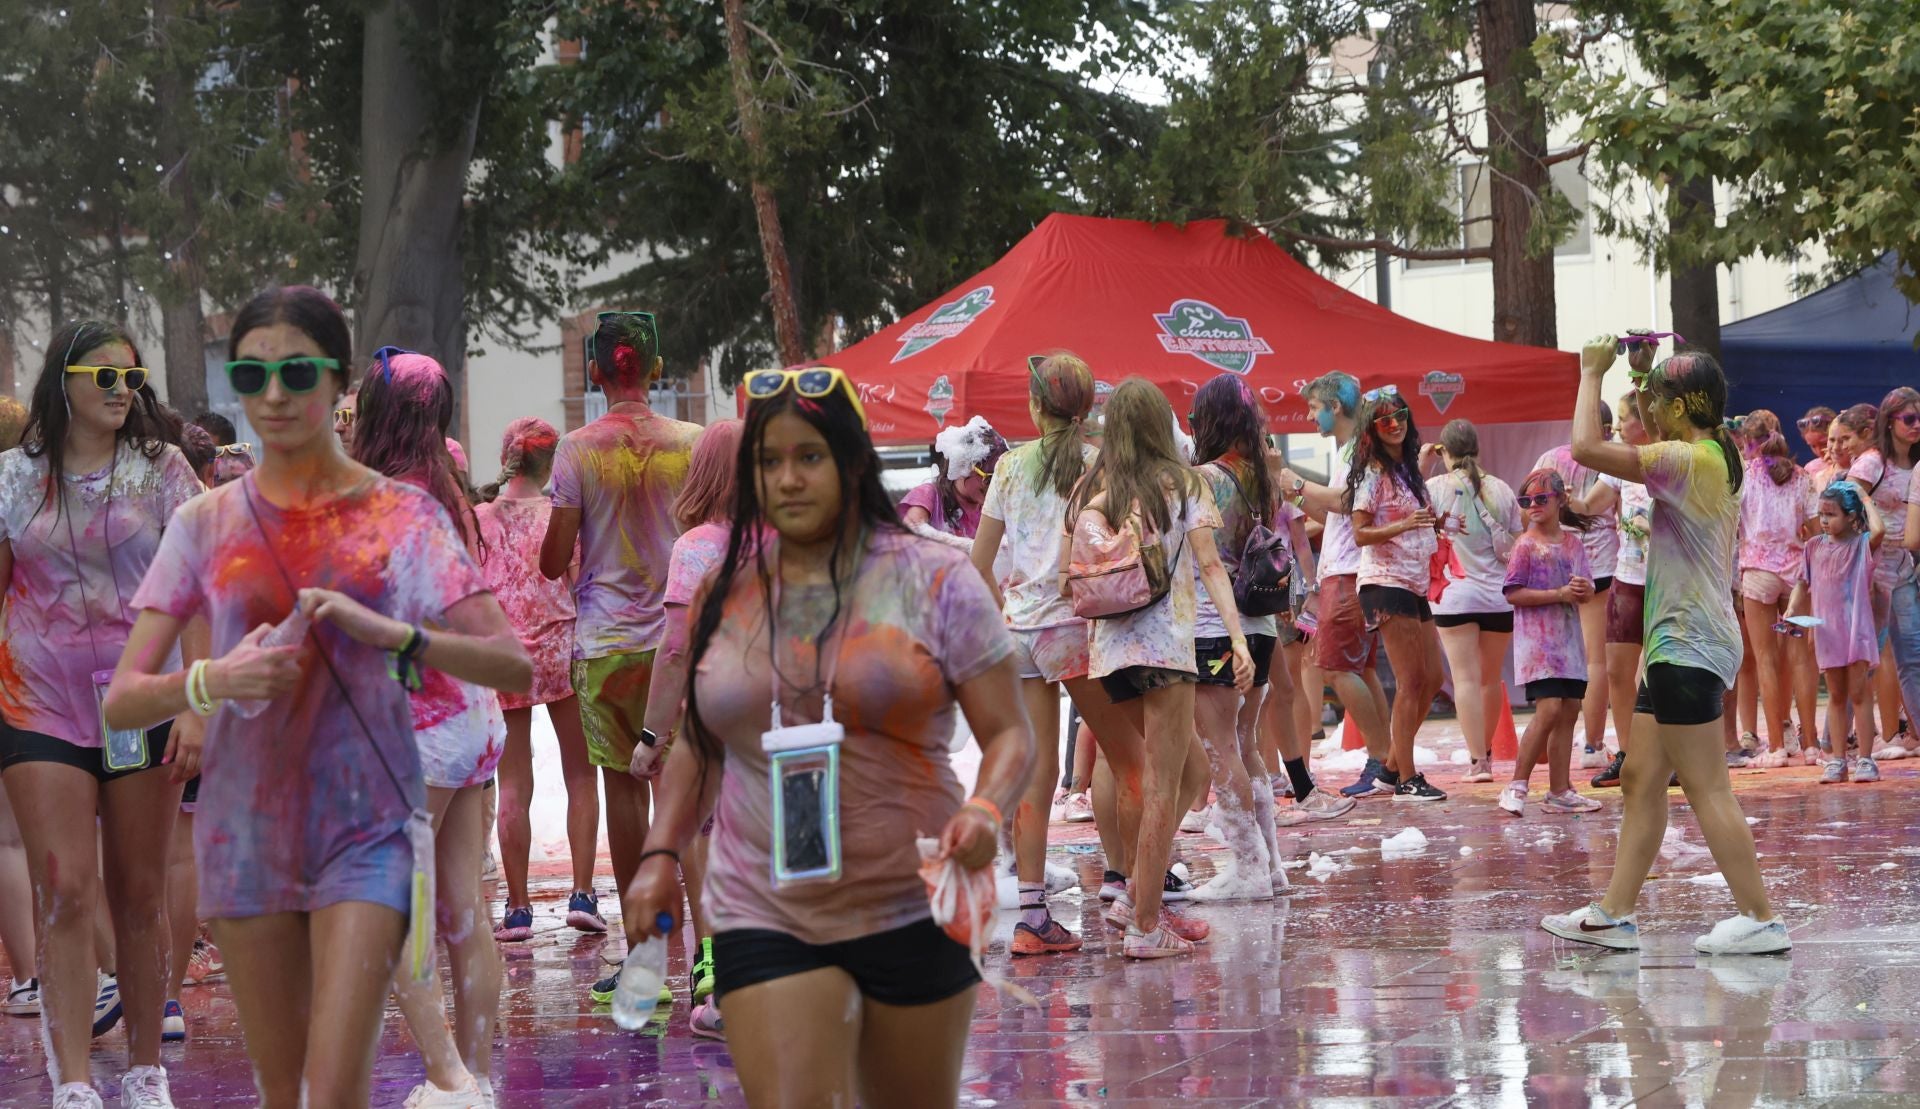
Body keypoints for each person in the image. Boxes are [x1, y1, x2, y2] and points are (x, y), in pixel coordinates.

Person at [105, 286, 531, 1106]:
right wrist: (214, 679)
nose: (271, 394)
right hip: (247, 827)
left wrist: (396, 636)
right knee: (283, 1087)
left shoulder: (399, 514)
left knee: (334, 1084)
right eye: (251, 372)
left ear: (338, 382)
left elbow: (509, 663)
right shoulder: (205, 522)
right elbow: (123, 700)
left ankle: (457, 1077)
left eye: (295, 371)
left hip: (366, 825)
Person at [623, 365, 1033, 1107]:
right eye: (768, 461)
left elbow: (1009, 733)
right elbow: (700, 740)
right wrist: (658, 853)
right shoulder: (726, 588)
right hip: (761, 903)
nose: (786, 479)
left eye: (807, 456)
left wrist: (986, 808)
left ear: (850, 460)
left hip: (910, 899)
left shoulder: (934, 578)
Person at [0, 319, 201, 1109]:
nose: (124, 391)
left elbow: (204, 588)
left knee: (138, 891)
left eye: (133, 377)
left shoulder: (164, 472)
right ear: (66, 381)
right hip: (38, 700)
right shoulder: (12, 478)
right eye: (106, 376)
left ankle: (148, 1071)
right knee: (65, 888)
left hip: (140, 698)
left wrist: (196, 702)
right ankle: (74, 1078)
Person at [1541, 341, 1788, 956]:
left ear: (1682, 409)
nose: (1649, 409)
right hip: (1679, 644)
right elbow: (1651, 425)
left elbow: (1586, 450)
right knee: (1641, 779)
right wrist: (1645, 373)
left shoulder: (1687, 459)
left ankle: (1760, 918)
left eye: (1658, 400)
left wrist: (1590, 372)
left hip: (1689, 645)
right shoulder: (1715, 450)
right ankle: (1615, 915)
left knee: (1707, 787)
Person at [348, 347, 510, 1105]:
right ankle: (473, 1072)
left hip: (420, 726)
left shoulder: (386, 502)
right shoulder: (449, 488)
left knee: (397, 914)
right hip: (473, 719)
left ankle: (449, 1075)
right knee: (461, 908)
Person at [970, 352, 1157, 954]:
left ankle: (1032, 918)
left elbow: (979, 563)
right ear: (1085, 407)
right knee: (1134, 762)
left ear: (1034, 404)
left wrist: (1006, 606)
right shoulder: (1096, 463)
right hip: (1076, 629)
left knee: (1037, 771)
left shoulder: (1007, 466)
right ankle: (1137, 896)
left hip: (1017, 632)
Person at [539, 311, 700, 1005]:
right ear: (656, 370)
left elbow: (553, 558)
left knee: (625, 793)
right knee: (685, 793)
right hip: (681, 639)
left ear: (597, 371)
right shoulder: (692, 443)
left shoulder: (575, 450)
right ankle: (707, 955)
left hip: (606, 646)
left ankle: (643, 958)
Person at [1067, 378, 1250, 956]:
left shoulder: (1091, 492)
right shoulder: (1185, 483)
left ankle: (1136, 896)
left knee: (1189, 772)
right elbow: (1211, 565)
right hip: (1168, 652)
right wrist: (1238, 639)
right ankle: (1145, 926)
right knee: (1164, 786)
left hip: (1110, 656)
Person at [629, 417, 745, 1038]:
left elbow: (675, 650)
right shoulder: (788, 537)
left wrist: (652, 737)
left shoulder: (697, 547)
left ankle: (727, 990)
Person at [475, 418, 602, 942]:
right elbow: (575, 579)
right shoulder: (560, 516)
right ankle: (581, 893)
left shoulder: (480, 518)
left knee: (514, 785)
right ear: (552, 463)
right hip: (562, 652)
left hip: (505, 659)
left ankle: (519, 907)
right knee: (580, 774)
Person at [1185, 374, 1297, 899]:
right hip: (1260, 626)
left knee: (1219, 746)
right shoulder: (1262, 475)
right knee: (1247, 743)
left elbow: (1200, 554)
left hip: (1214, 627)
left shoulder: (1205, 478)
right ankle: (1270, 865)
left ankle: (1247, 868)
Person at [1275, 373, 1394, 800]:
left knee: (1337, 669)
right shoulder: (1352, 448)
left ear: (1336, 407)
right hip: (1349, 569)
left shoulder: (1357, 449)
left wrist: (1297, 485)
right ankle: (1388, 759)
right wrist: (1299, 500)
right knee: (1358, 669)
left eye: (1313, 408)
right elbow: (1339, 515)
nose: (1309, 417)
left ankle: (1382, 759)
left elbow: (1345, 504)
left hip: (1347, 573)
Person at [1346, 384, 1447, 802]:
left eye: (1401, 416)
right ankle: (1406, 777)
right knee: (1411, 682)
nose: (1396, 425)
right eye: (1386, 420)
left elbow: (1413, 519)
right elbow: (1359, 532)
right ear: (1372, 428)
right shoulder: (1373, 473)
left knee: (1433, 679)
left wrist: (1435, 525)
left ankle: (1391, 769)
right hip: (1386, 582)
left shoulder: (1405, 471)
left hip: (1413, 581)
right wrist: (1405, 526)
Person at [1496, 470, 1601, 816]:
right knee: (1550, 709)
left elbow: (1587, 587)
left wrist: (1585, 591)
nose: (1534, 506)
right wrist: (1558, 593)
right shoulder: (1525, 545)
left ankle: (1559, 789)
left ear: (1561, 500)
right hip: (1539, 647)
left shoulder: (1572, 544)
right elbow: (1513, 592)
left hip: (1568, 645)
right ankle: (1517, 784)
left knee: (1569, 710)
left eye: (1542, 499)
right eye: (1526, 501)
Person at [1423, 419, 1521, 784]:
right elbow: (1517, 540)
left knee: (1464, 678)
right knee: (1490, 679)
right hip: (1498, 596)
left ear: (1443, 452)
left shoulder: (1433, 487)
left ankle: (1477, 761)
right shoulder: (1502, 490)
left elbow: (1416, 525)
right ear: (1477, 448)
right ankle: (1490, 757)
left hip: (1453, 594)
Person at [1535, 405, 1620, 769]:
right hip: (1598, 564)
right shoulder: (1613, 457)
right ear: (1606, 427)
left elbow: (1530, 509)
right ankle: (1592, 745)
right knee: (1595, 658)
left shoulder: (1550, 458)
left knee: (1558, 657)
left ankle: (1554, 740)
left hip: (1554, 563)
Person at [1736, 432, 1819, 767]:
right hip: (1796, 574)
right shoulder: (1804, 478)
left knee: (1765, 658)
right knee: (1801, 659)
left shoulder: (1745, 474)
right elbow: (1816, 532)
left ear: (1751, 446)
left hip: (1757, 573)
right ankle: (1811, 745)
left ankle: (1775, 747)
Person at [1793, 481, 1883, 783]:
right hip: (1827, 630)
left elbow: (1880, 531)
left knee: (1858, 693)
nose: (1824, 520)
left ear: (1851, 516)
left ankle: (1866, 759)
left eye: (1831, 514)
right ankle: (1838, 760)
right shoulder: (1813, 547)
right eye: (1821, 514)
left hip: (1856, 628)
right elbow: (1802, 582)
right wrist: (1794, 609)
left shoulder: (1861, 545)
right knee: (1835, 694)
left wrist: (1864, 496)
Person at [1585, 390, 1652, 789]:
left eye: (1623, 420)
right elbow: (1591, 505)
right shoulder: (1618, 463)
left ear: (1643, 421)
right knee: (1616, 670)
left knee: (1661, 673)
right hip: (1627, 576)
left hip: (1670, 579)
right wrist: (1555, 502)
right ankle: (1628, 754)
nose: (1616, 429)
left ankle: (1669, 754)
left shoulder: (1669, 455)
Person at [1860, 387, 1920, 760]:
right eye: (1909, 419)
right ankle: (1838, 743)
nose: (1917, 426)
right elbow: (1844, 500)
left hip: (1904, 572)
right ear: (1889, 421)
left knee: (1911, 655)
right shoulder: (1872, 462)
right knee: (1864, 659)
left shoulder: (1916, 464)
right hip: (1872, 571)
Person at [901, 415, 1008, 549]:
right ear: (964, 465)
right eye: (990, 478)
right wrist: (971, 547)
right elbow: (911, 530)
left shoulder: (992, 507)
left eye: (1003, 477)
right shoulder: (929, 495)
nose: (996, 486)